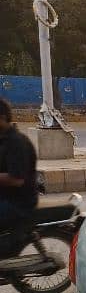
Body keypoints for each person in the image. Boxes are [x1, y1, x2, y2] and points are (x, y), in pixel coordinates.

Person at [0, 98, 38, 231]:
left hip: (18, 202)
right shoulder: (2, 139)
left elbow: (16, 179)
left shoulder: (16, 142)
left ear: (3, 118)